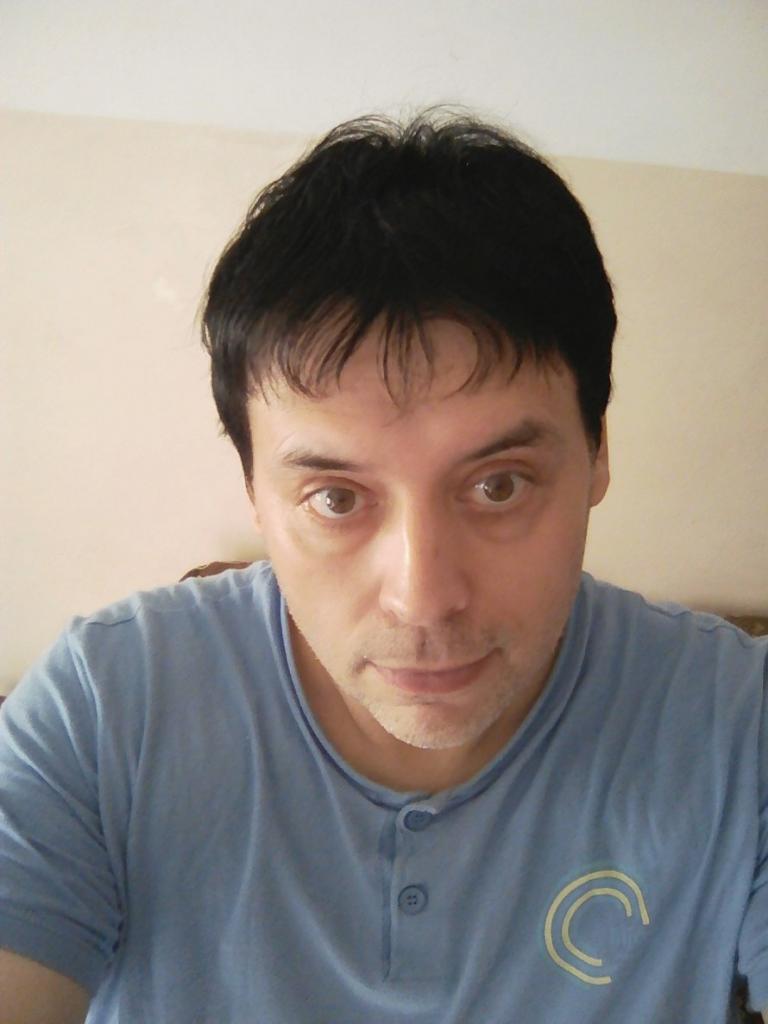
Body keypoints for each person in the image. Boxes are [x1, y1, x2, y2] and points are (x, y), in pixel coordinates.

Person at [0, 109, 766, 1024]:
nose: (423, 597)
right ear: (254, 491)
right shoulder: (107, 709)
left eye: (499, 486)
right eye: (336, 498)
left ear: (598, 453)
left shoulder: (737, 727)